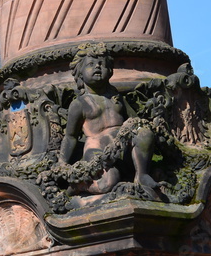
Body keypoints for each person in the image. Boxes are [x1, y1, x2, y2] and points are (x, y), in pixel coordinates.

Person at [59, 46, 157, 195]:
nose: (97, 67)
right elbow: (71, 136)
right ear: (80, 73)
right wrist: (62, 162)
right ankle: (80, 186)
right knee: (109, 182)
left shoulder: (116, 98)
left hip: (124, 147)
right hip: (97, 151)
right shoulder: (80, 104)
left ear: (110, 71)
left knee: (143, 132)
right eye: (91, 64)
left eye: (102, 64)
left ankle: (142, 174)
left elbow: (134, 120)